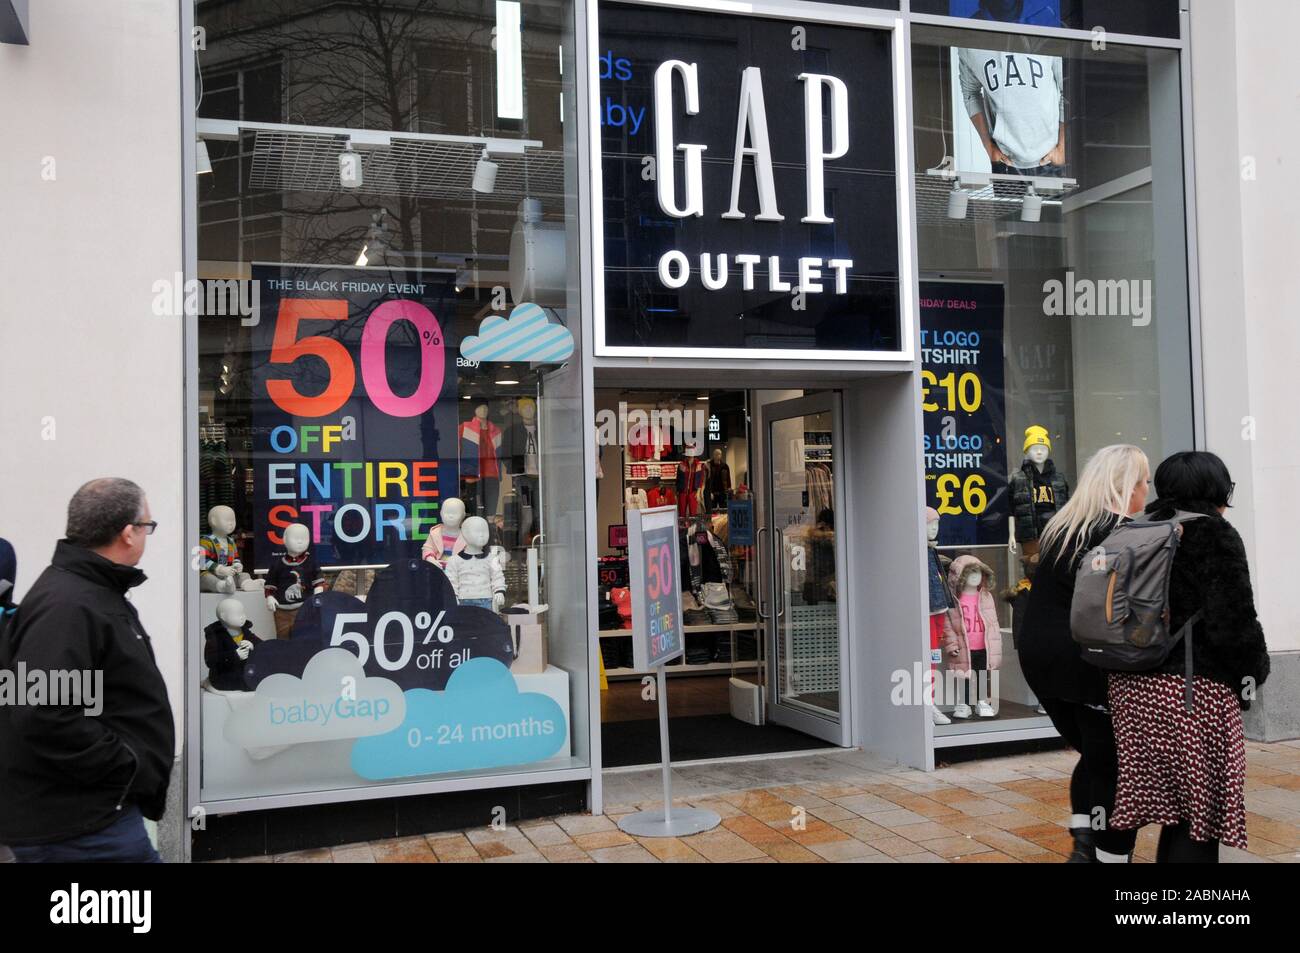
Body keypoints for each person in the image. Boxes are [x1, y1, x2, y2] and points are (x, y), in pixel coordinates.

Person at [0, 478, 174, 862]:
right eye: (147, 525)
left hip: (90, 819)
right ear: (128, 533)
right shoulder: (69, 605)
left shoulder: (86, 592)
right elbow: (42, 711)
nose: (147, 534)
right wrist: (126, 765)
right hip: (81, 828)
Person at [1109, 451, 1270, 863]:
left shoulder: (1138, 527)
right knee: (1199, 814)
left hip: (1131, 688)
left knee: (1173, 806)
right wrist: (1254, 674)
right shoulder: (1214, 533)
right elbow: (1233, 622)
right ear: (1217, 490)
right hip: (1191, 693)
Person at [1019, 444, 1150, 862]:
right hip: (1085, 659)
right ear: (1127, 487)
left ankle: (1084, 841)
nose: (1147, 492)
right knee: (1110, 763)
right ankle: (1102, 853)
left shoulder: (1065, 525)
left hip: (1040, 658)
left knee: (1094, 754)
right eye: (1144, 482)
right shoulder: (1117, 532)